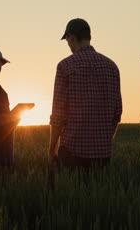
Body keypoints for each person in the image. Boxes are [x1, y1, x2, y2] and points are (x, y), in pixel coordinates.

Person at [48, 18, 122, 171]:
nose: (68, 45)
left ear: (71, 37)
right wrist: (104, 140)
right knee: (97, 194)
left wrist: (51, 150)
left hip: (72, 151)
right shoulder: (112, 67)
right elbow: (117, 112)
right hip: (103, 154)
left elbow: (58, 115)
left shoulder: (65, 66)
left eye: (67, 40)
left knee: (72, 193)